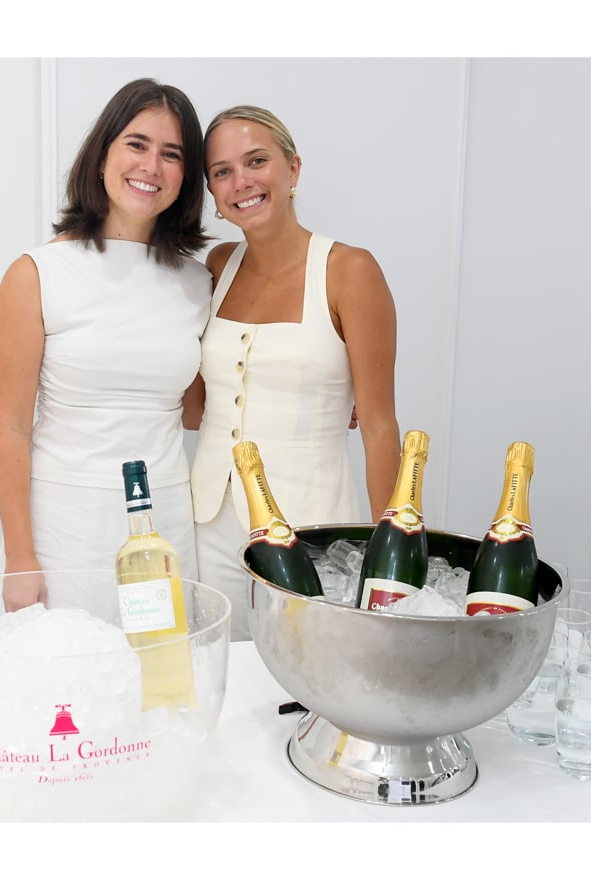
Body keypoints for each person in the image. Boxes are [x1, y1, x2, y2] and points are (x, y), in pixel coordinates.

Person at [0, 78, 211, 616]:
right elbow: (9, 427)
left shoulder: (196, 282)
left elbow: (200, 409)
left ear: (186, 177)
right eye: (137, 144)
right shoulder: (36, 273)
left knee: (164, 665)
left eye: (172, 154)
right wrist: (21, 556)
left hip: (165, 520)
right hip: (63, 527)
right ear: (102, 154)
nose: (151, 166)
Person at [188, 105, 401, 640]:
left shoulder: (349, 270)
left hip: (313, 529)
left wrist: (391, 558)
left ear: (293, 169)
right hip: (207, 526)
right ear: (212, 190)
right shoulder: (217, 266)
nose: (241, 181)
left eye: (256, 161)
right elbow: (196, 409)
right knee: (219, 669)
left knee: (309, 670)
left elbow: (379, 425)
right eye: (222, 171)